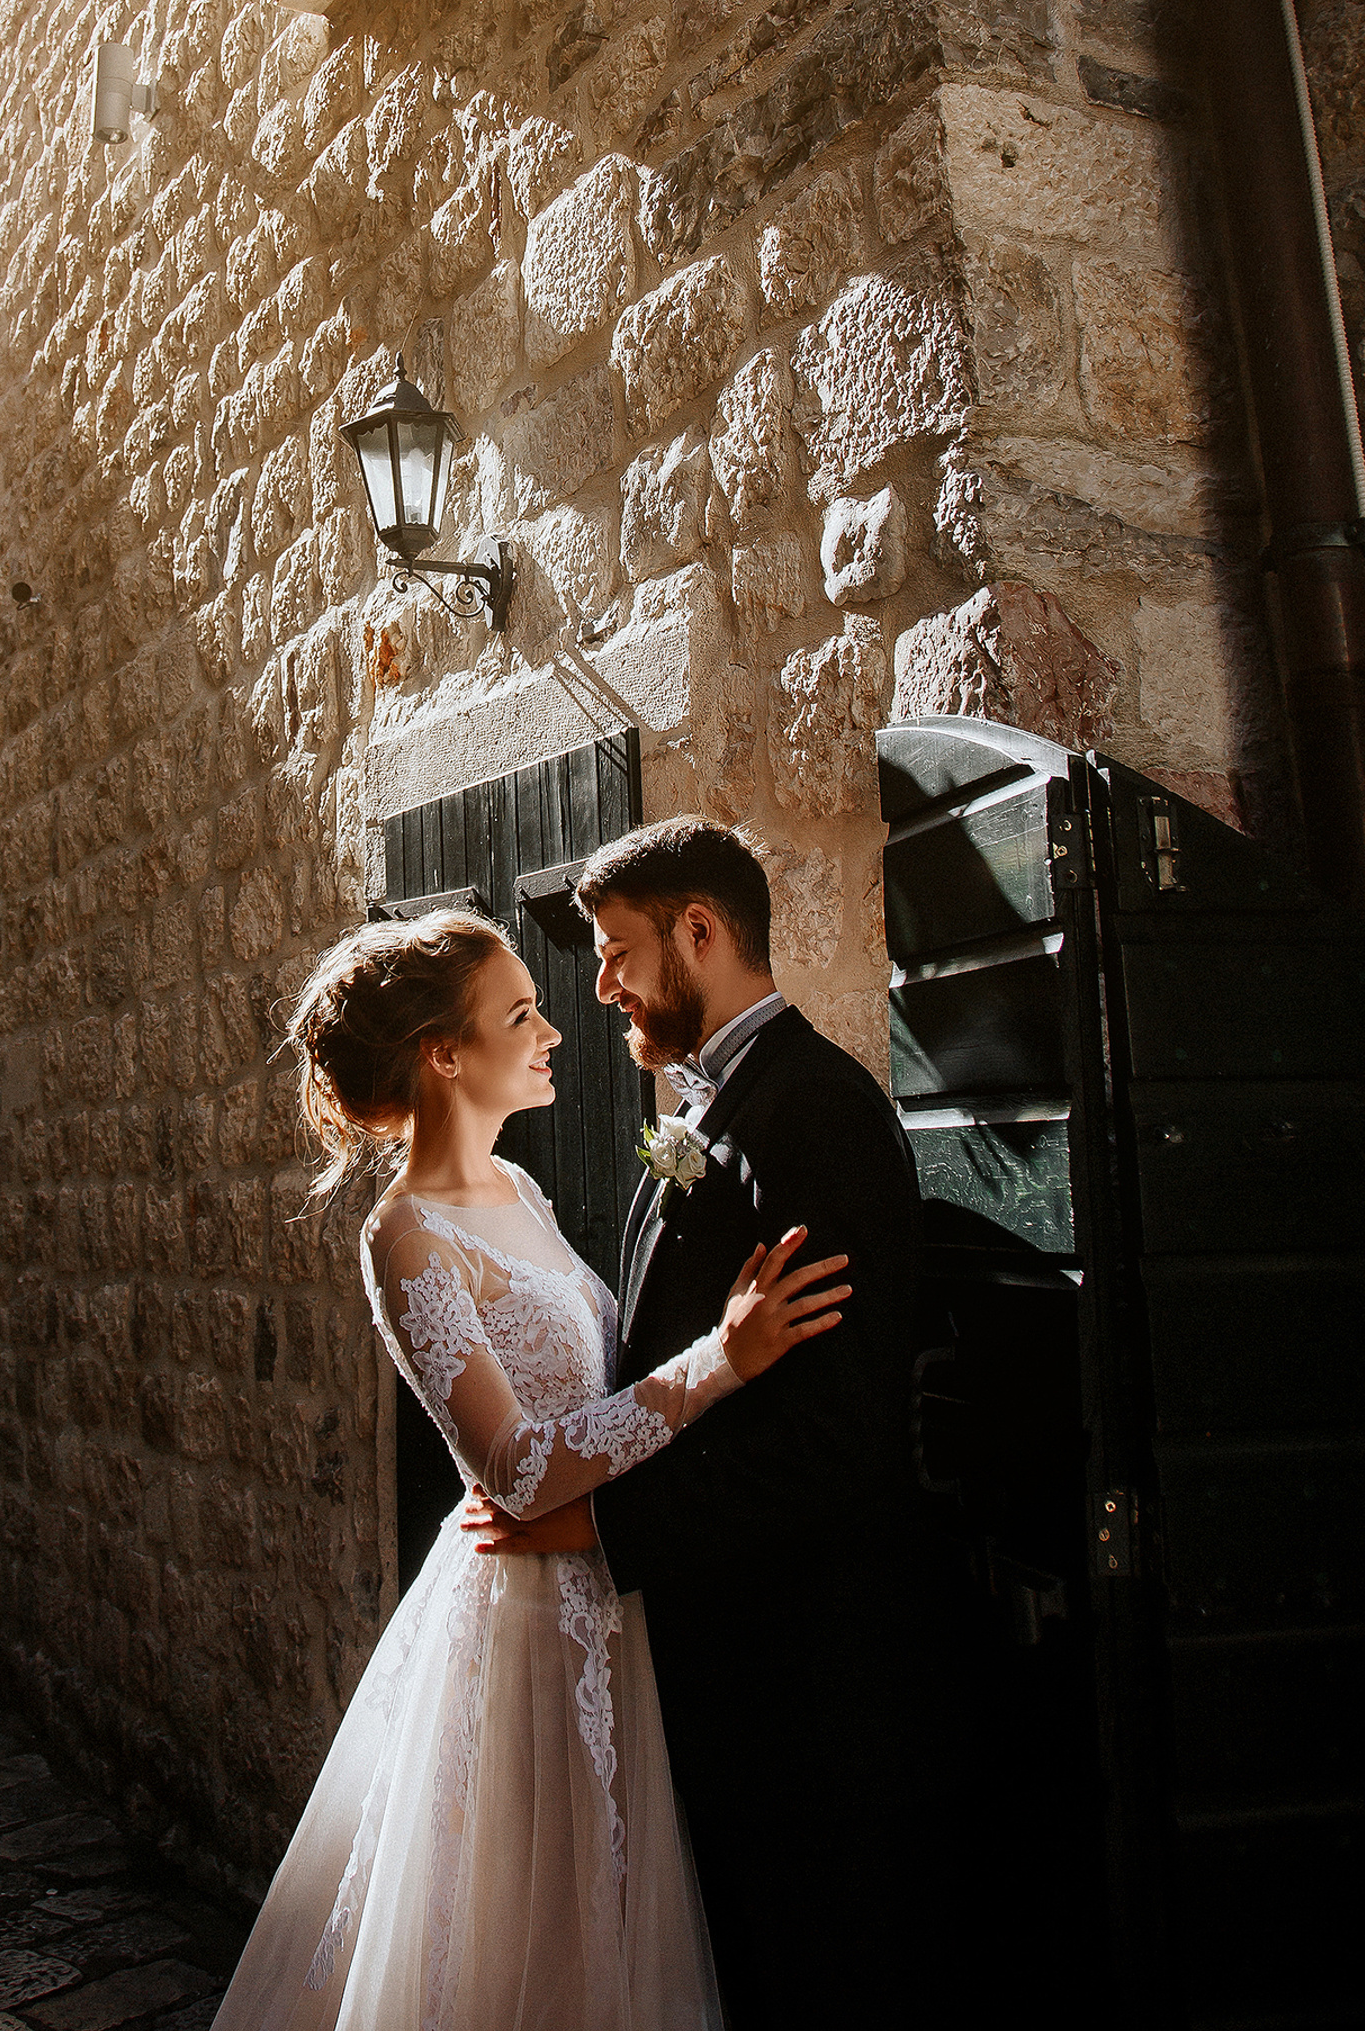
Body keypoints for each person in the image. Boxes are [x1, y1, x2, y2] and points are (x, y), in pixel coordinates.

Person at [212, 906, 851, 2031]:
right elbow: (512, 1468)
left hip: (611, 1604)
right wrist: (724, 1360)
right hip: (523, 1627)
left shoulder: (521, 1195)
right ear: (443, 1054)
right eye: (520, 1014)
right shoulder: (406, 1234)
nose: (553, 1030)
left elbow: (596, 1400)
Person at [465, 819, 933, 2030]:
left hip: (794, 1665)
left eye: (619, 951)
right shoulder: (711, 1105)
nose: (605, 982)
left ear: (703, 932)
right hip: (721, 1645)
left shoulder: (811, 1113)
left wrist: (606, 1526)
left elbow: (839, 1437)